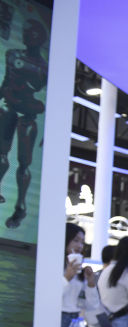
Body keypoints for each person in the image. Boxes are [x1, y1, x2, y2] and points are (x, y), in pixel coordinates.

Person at [0, 19, 46, 229]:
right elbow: (6, 83)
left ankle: (21, 206)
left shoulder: (43, 67)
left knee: (24, 162)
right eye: (26, 33)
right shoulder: (13, 55)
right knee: (2, 154)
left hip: (27, 110)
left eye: (31, 33)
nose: (27, 36)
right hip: (9, 106)